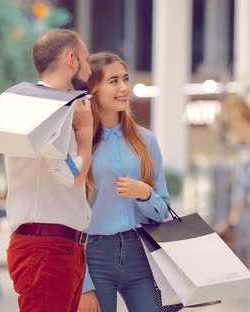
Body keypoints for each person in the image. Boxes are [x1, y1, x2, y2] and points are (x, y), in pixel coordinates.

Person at [5, 29, 93, 311]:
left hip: (56, 247)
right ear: (71, 59)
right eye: (87, 60)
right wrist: (85, 132)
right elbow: (72, 175)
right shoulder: (50, 108)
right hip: (47, 248)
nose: (90, 70)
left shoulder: (28, 105)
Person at [78, 52, 171, 312]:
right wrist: (84, 283)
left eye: (126, 79)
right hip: (94, 255)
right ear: (93, 88)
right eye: (114, 80)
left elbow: (162, 209)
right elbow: (70, 215)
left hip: (139, 252)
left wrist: (145, 194)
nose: (123, 87)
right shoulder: (80, 143)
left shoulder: (146, 141)